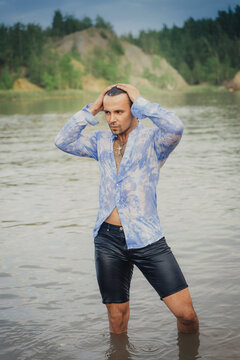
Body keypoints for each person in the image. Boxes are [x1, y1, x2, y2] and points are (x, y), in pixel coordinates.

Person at [55, 83, 199, 335]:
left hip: (147, 239)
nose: (111, 119)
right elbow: (63, 141)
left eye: (119, 112)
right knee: (116, 321)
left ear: (134, 110)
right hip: (107, 241)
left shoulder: (154, 140)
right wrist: (93, 108)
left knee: (186, 315)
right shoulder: (100, 141)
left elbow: (176, 126)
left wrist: (140, 101)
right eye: (107, 113)